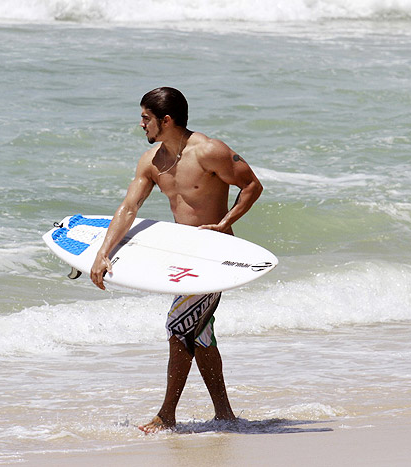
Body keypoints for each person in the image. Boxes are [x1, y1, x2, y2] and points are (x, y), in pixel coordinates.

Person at [90, 87, 263, 433]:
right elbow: (129, 208)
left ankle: (166, 416)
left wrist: (226, 223)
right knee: (199, 335)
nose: (141, 125)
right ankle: (225, 415)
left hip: (216, 259)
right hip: (186, 259)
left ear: (165, 120)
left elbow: (252, 186)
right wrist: (102, 254)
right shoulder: (152, 162)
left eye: (145, 118)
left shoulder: (209, 151)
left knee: (178, 328)